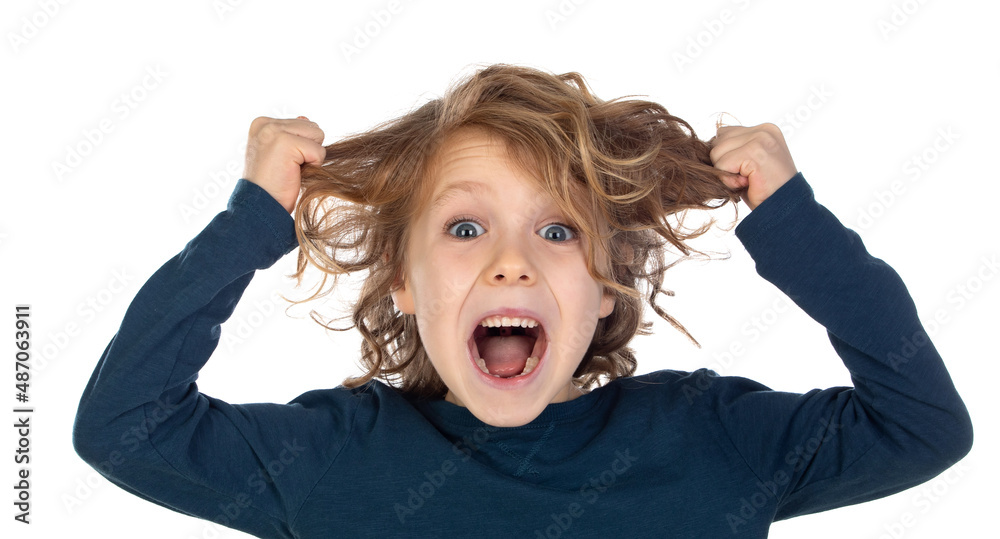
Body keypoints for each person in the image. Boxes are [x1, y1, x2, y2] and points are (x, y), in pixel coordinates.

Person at [73, 64, 972, 538]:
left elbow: (924, 424)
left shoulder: (713, 441)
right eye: (465, 230)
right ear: (401, 277)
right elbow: (121, 425)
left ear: (606, 277)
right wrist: (252, 219)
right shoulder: (328, 457)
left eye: (558, 231)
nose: (511, 264)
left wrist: (792, 221)